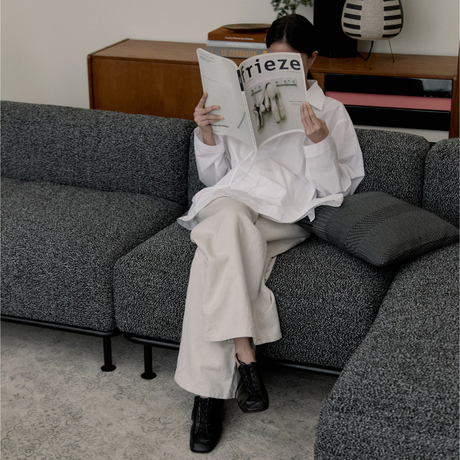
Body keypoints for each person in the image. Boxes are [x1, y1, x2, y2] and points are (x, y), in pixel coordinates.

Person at [174, 14, 365, 454]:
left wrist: (319, 144)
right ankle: (245, 360)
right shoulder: (240, 101)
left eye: (293, 62)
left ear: (311, 60)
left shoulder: (332, 112)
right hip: (233, 199)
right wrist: (206, 133)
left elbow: (339, 191)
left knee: (213, 252)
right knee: (227, 221)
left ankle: (207, 398)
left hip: (286, 212)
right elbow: (214, 177)